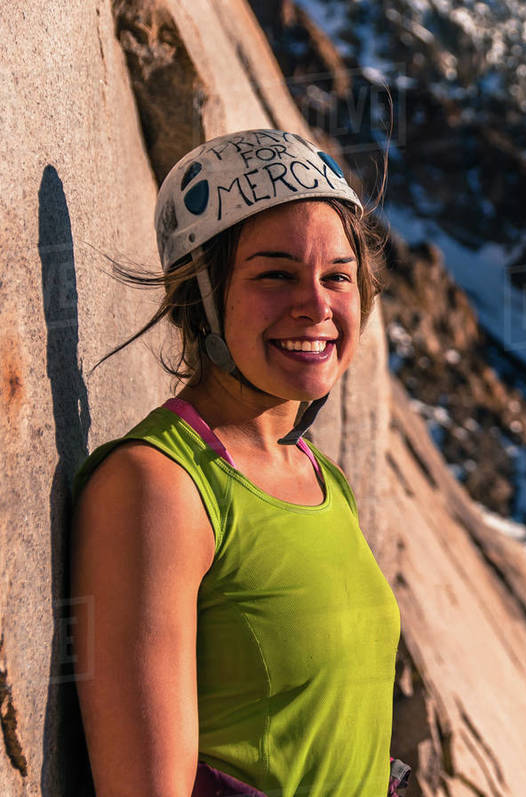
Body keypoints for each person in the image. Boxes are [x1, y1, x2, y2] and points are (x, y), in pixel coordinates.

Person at [69, 129, 408, 796]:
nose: (317, 305)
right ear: (202, 296)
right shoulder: (160, 487)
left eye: (338, 275)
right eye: (276, 274)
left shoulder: (320, 477)